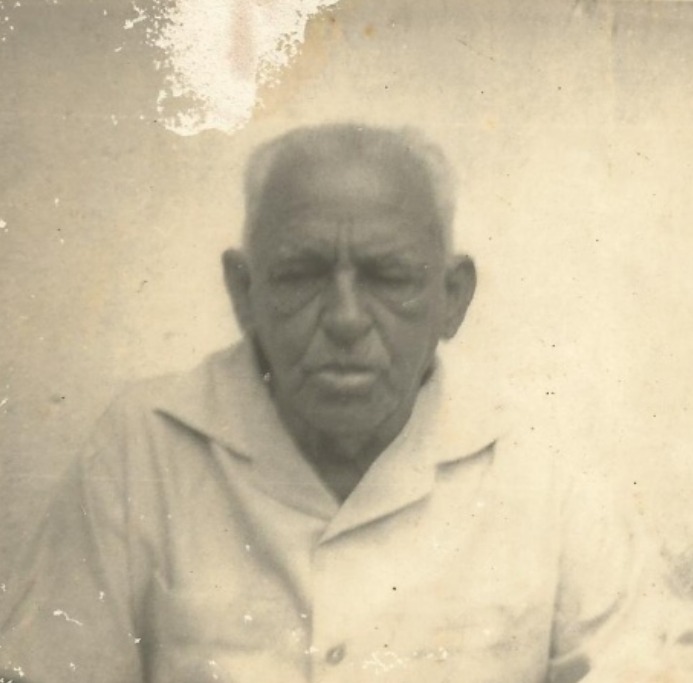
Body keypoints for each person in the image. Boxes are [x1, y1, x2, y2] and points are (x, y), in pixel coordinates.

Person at [0, 124, 669, 682]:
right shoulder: (143, 448)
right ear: (243, 291)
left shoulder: (544, 465)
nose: (346, 317)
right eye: (301, 275)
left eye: (388, 277)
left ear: (452, 298)